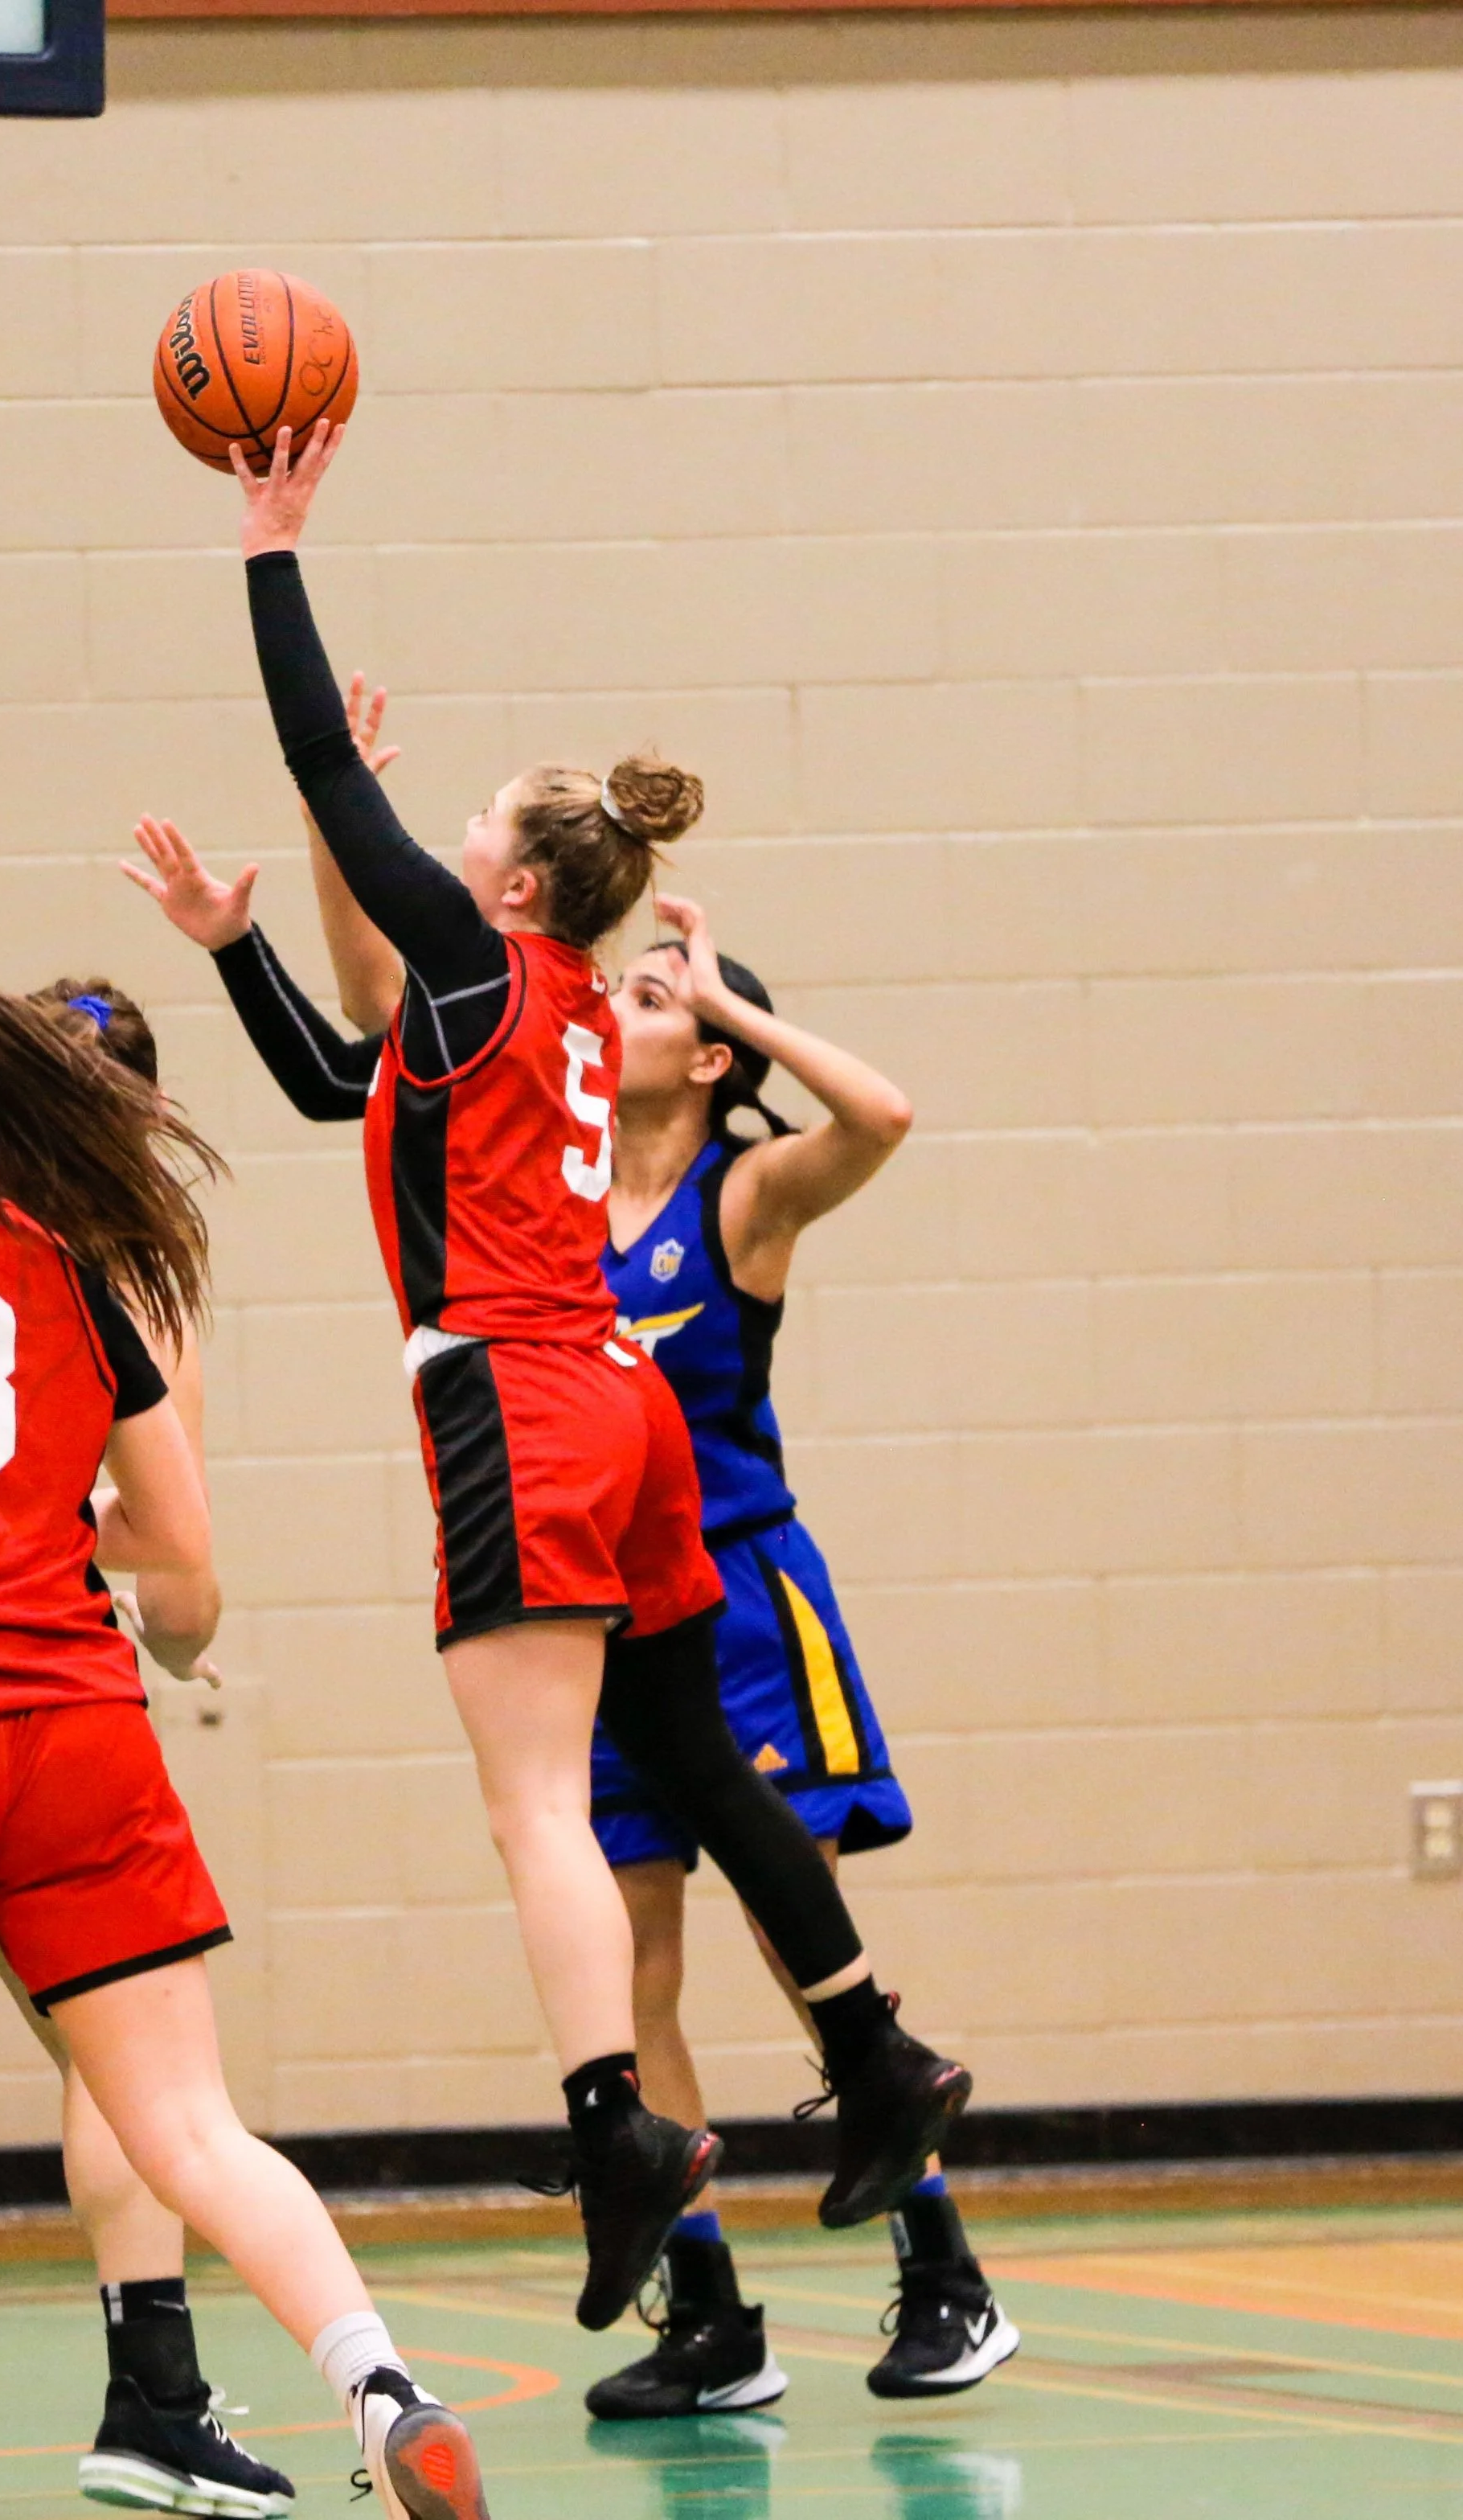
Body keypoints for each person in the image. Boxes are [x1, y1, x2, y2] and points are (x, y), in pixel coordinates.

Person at [121, 417, 972, 2337]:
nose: (454, 847)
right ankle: (881, 2054)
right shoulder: (567, 1006)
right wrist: (246, 946)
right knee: (684, 1757)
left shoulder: (486, 968)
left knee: (542, 1807)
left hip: (513, 1393)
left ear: (503, 887)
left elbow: (322, 766)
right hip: (625, 1403)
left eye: (473, 834)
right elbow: (345, 1086)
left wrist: (272, 545)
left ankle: (621, 2130)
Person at [0, 965, 490, 2520]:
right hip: (79, 1723)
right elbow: (179, 1565)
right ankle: (379, 2380)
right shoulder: (81, 1270)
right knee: (190, 2123)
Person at [584, 907, 1020, 2416]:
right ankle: (711, 2318)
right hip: (604, 1624)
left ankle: (948, 2275)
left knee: (795, 1941)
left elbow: (884, 1112)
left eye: (652, 998)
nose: (620, 1007)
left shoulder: (748, 1190)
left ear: (708, 1053)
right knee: (627, 1960)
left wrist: (731, 1002)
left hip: (747, 1605)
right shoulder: (562, 1201)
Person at [0, 975, 286, 2518]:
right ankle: (156, 2389)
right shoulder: (120, 1278)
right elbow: (180, 1580)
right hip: (17, 1707)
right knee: (131, 2060)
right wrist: (189, 1632)